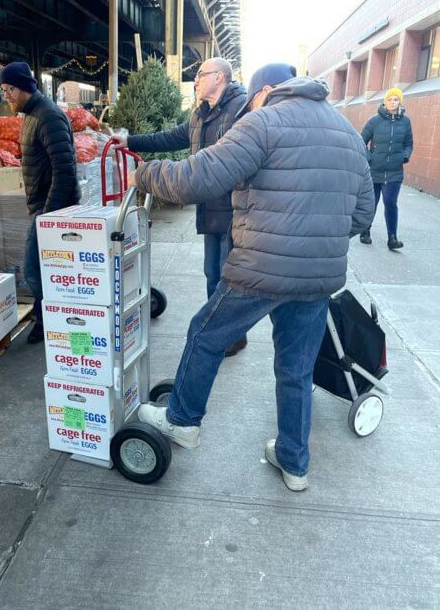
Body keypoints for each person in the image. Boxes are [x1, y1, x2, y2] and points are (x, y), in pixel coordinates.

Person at [127, 64, 375, 491]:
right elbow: (362, 214)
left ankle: (182, 421)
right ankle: (294, 463)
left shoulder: (263, 122)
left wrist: (144, 174)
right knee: (296, 369)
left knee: (205, 333)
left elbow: (198, 177)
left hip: (261, 269)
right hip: (317, 278)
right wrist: (317, 238)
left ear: (264, 90)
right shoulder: (348, 132)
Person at [120, 57, 248, 357]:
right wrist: (130, 141)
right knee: (212, 274)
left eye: (201, 75)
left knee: (228, 278)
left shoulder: (240, 110)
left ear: (219, 77)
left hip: (234, 209)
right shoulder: (201, 115)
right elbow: (172, 137)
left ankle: (231, 335)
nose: (197, 81)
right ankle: (221, 333)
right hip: (210, 207)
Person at [0, 62, 80, 344]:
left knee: (32, 269)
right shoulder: (31, 115)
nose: (5, 96)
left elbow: (65, 169)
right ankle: (46, 314)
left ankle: (47, 321)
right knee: (48, 268)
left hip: (52, 209)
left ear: (21, 88)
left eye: (8, 89)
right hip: (42, 208)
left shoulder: (48, 116)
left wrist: (48, 215)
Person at [359, 88, 413, 250]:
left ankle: (392, 238)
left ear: (400, 102)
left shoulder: (405, 122)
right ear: (385, 102)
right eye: (390, 99)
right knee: (372, 203)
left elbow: (408, 143)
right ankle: (365, 231)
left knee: (390, 203)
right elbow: (361, 141)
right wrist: (370, 158)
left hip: (394, 171)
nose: (393, 102)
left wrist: (404, 156)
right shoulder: (374, 121)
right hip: (374, 170)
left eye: (396, 100)